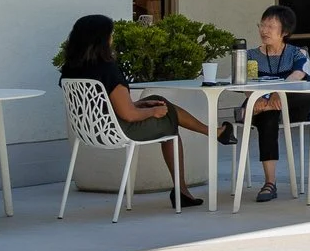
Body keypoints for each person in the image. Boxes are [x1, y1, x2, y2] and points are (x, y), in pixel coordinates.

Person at [59, 14, 206, 207]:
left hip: (89, 130)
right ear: (102, 39)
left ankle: (213, 132)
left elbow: (100, 105)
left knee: (157, 101)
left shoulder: (70, 70)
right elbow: (129, 115)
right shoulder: (108, 69)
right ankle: (182, 189)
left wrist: (140, 105)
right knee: (167, 117)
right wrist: (152, 113)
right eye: (111, 34)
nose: (113, 39)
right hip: (118, 130)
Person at [222, 4, 310, 202]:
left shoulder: (297, 53)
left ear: (284, 32)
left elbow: (298, 74)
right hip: (262, 107)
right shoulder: (250, 55)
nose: (264, 31)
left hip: (292, 106)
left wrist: (278, 93)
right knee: (268, 118)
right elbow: (245, 83)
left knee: (306, 94)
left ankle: (260, 107)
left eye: (270, 27)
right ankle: (270, 183)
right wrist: (253, 98)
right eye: (262, 25)